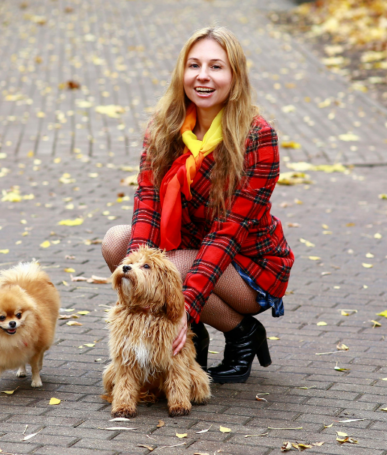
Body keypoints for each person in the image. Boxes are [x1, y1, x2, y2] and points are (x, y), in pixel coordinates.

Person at [101, 26, 294, 384]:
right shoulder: (165, 127)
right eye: (194, 65)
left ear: (235, 77)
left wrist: (182, 309)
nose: (203, 76)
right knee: (118, 243)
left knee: (173, 266)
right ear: (182, 73)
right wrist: (141, 263)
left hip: (246, 262)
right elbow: (147, 204)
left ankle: (242, 332)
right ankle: (192, 338)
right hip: (188, 250)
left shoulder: (257, 136)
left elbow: (227, 235)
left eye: (216, 67)